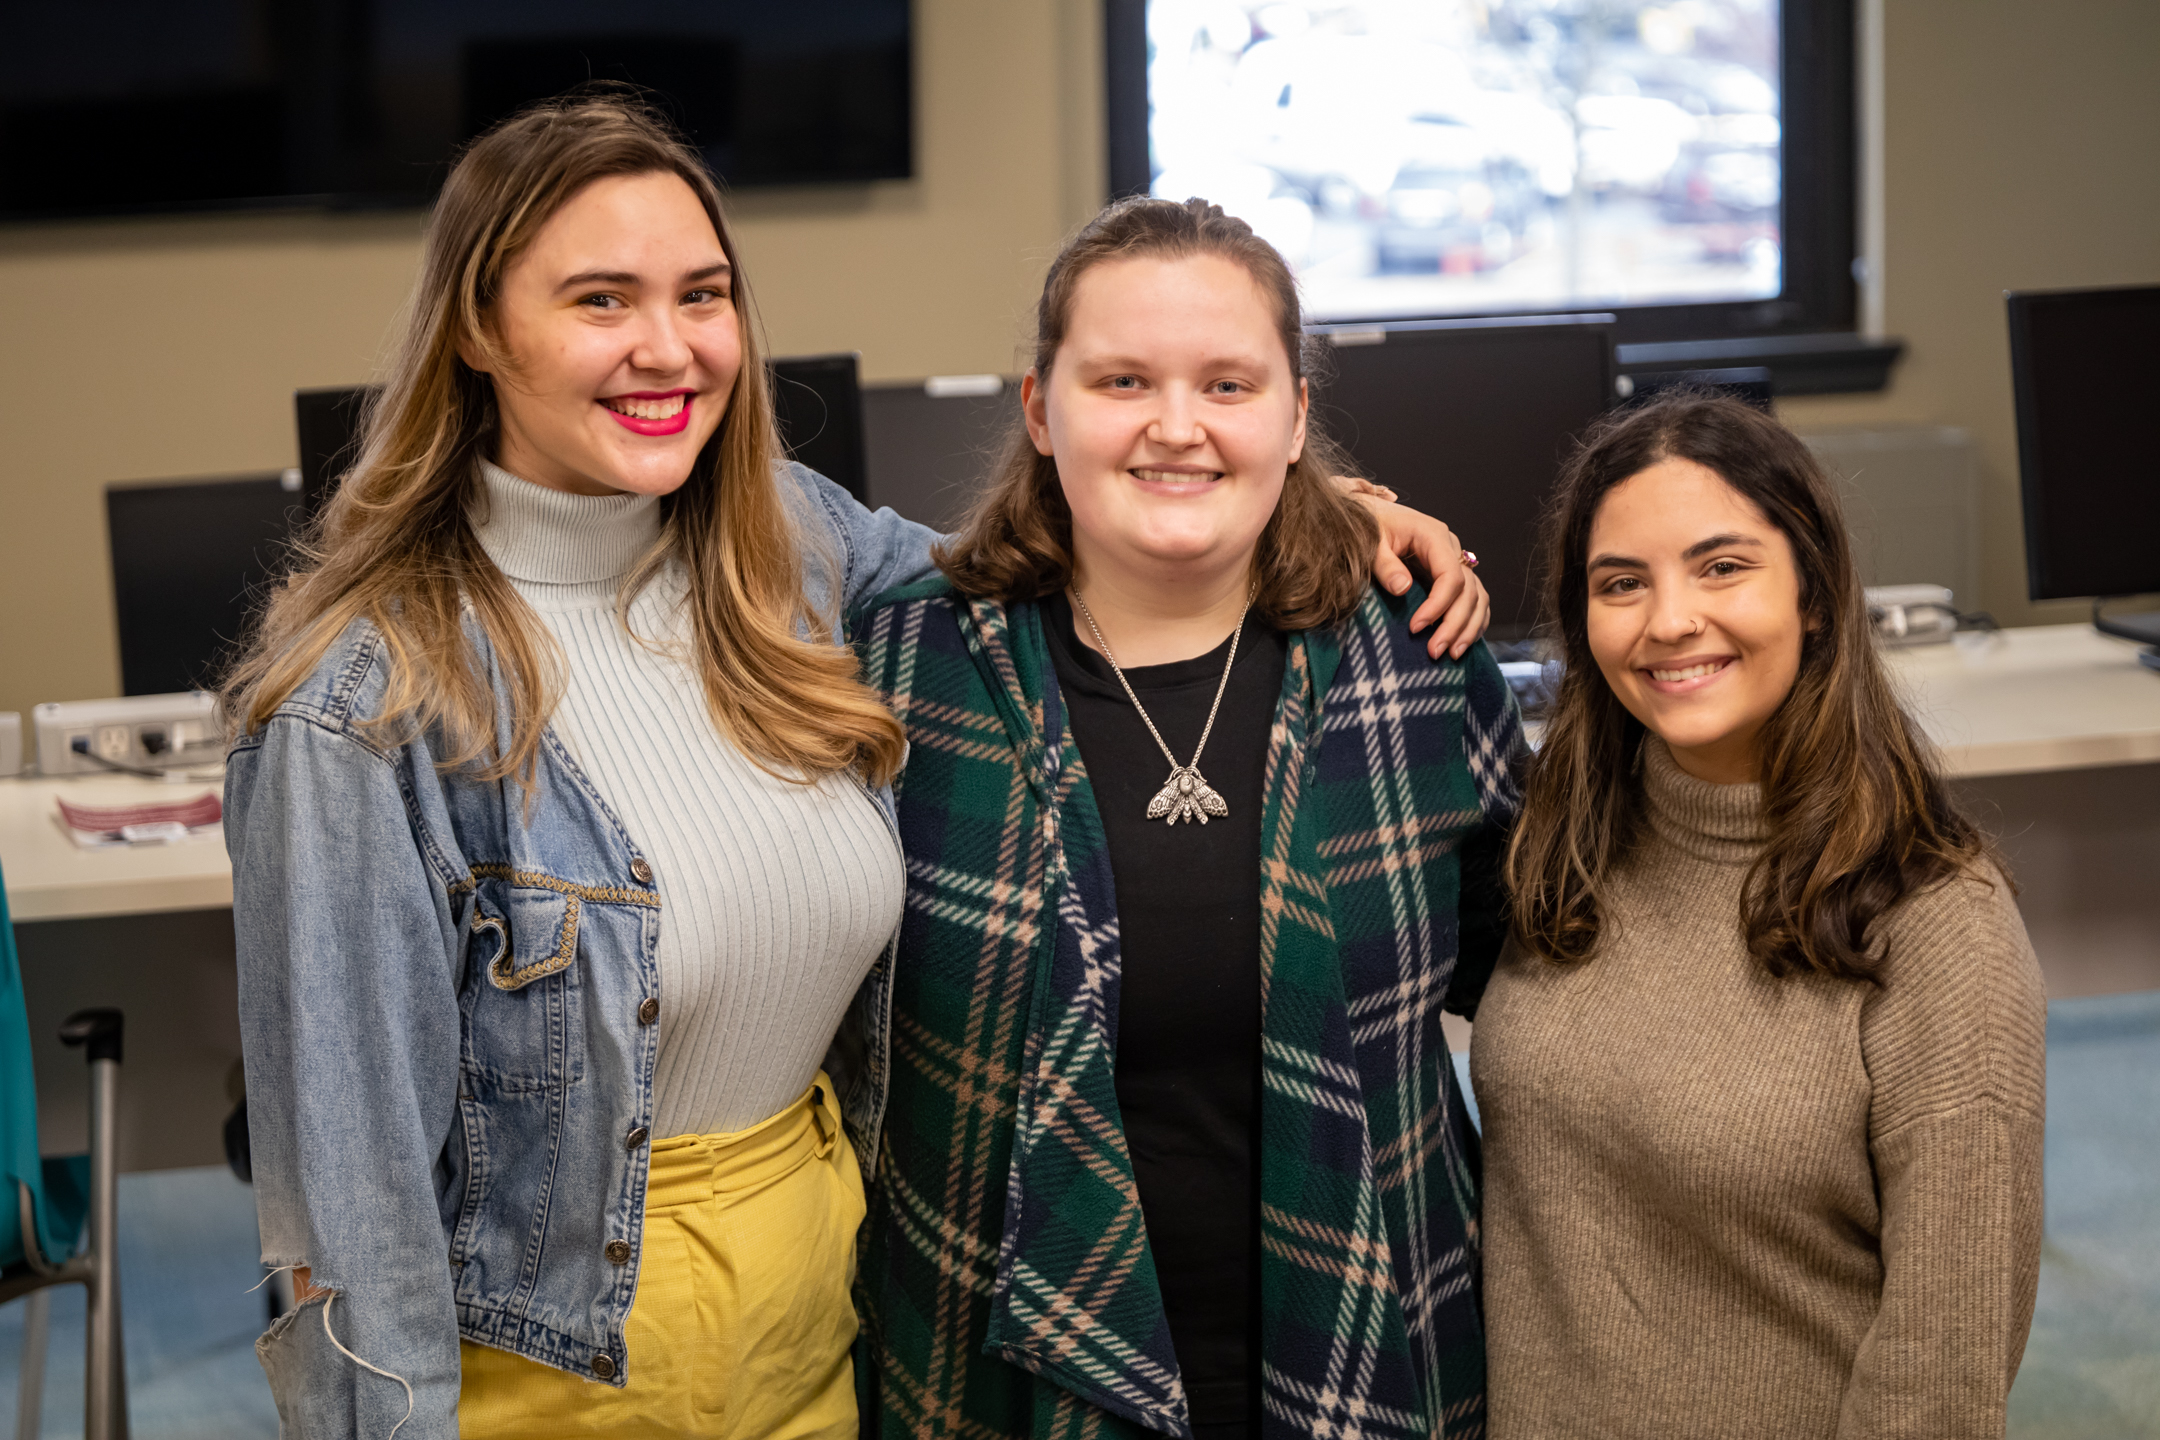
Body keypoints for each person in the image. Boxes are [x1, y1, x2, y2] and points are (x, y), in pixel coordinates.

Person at [221, 99, 1490, 1439]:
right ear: (478, 328)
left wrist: (1304, 498)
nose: (666, 346)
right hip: (565, 1372)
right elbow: (350, 1231)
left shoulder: (786, 558)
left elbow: (1051, 554)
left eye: (701, 294)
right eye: (601, 300)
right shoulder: (359, 713)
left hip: (829, 1337)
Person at [850, 196, 1521, 1440]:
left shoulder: (1416, 658)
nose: (1176, 427)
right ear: (1041, 410)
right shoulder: (897, 671)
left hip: (1367, 1339)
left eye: (1228, 384)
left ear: (1297, 415)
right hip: (995, 1359)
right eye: (1120, 380)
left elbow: (1539, 990)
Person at [1472, 393, 2045, 1438]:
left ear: (1815, 595)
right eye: (1621, 583)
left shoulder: (1936, 926)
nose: (1670, 620)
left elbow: (1943, 1377)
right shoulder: (1561, 845)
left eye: (1722, 566)